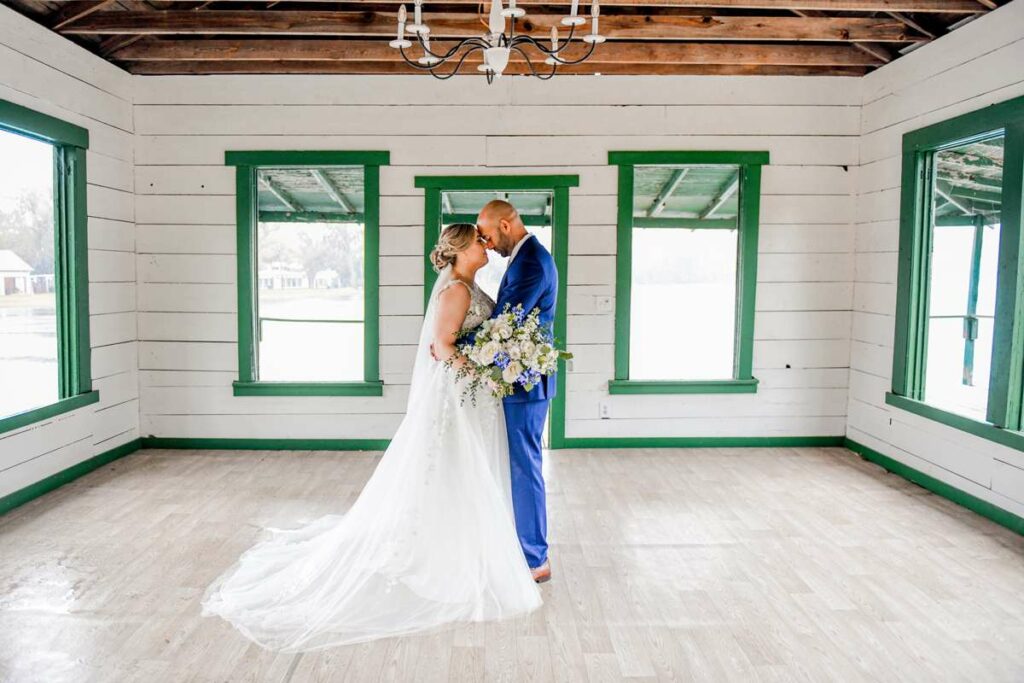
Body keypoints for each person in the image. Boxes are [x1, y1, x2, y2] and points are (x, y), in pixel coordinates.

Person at [200, 223, 541, 652]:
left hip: (466, 397)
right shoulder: (455, 290)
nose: (486, 245)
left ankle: (463, 546)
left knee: (460, 470)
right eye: (479, 240)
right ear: (460, 250)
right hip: (453, 397)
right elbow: (443, 345)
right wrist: (482, 372)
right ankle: (437, 553)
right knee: (450, 467)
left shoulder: (468, 285)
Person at [475, 199, 558, 584]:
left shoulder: (530, 262)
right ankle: (524, 547)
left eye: (489, 236)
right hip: (521, 377)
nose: (487, 244)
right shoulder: (525, 258)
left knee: (526, 469)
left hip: (525, 381)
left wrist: (455, 340)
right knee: (521, 466)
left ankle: (535, 558)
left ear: (506, 225)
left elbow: (506, 322)